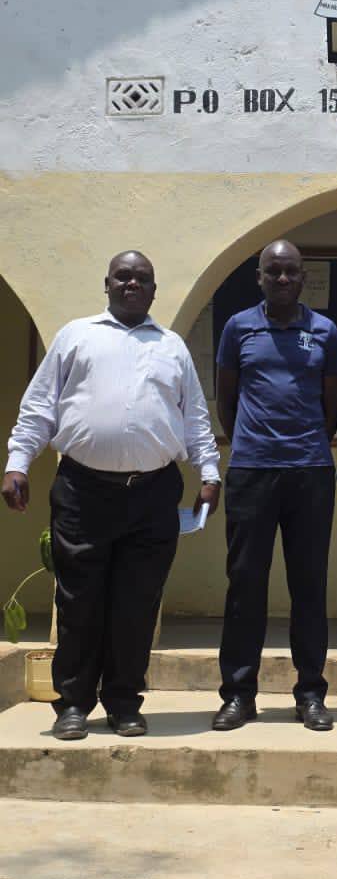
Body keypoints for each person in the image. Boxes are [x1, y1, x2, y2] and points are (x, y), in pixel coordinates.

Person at [1, 251, 220, 740]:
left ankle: (124, 703)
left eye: (142, 278)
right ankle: (72, 705)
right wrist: (18, 462)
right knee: (79, 602)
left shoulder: (172, 347)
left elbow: (194, 419)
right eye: (123, 277)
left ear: (154, 290)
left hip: (153, 493)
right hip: (83, 491)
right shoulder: (76, 336)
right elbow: (39, 407)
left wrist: (209, 473)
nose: (132, 284)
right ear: (107, 284)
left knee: (136, 605)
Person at [212, 239, 337, 732]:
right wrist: (253, 443)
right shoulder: (238, 327)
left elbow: (333, 406)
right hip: (251, 471)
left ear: (303, 277)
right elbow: (227, 400)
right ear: (260, 277)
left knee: (308, 586)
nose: (283, 279)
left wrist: (305, 443)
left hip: (310, 472)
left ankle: (310, 693)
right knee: (245, 585)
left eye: (291, 271)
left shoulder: (325, 331)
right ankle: (238, 695)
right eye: (274, 271)